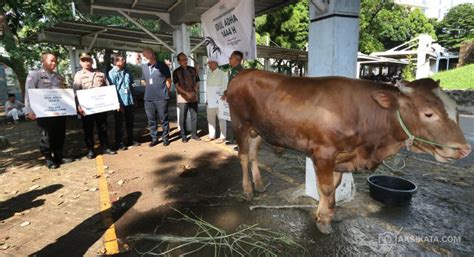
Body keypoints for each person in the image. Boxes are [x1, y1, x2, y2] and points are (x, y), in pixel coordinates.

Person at [23, 52, 73, 169]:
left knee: (59, 133)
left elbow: (63, 93)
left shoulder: (59, 76)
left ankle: (59, 155)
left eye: (55, 61)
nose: (54, 63)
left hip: (59, 111)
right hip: (43, 112)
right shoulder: (34, 75)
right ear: (43, 61)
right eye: (51, 60)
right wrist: (28, 111)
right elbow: (28, 93)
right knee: (46, 136)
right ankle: (48, 158)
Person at [73, 52, 116, 159]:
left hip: (101, 107)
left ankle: (105, 147)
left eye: (88, 60)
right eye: (84, 60)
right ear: (80, 62)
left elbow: (108, 88)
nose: (86, 62)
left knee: (103, 128)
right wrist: (78, 106)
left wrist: (113, 102)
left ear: (92, 61)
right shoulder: (78, 75)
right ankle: (90, 150)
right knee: (88, 129)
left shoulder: (100, 73)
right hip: (86, 108)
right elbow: (75, 92)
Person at [141, 47, 172, 147]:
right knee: (151, 120)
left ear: (151, 54)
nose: (143, 56)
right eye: (143, 55)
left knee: (164, 119)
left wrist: (165, 92)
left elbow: (168, 80)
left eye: (145, 54)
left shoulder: (162, 65)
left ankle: (165, 138)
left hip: (161, 98)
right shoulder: (144, 67)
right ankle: (154, 138)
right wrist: (150, 87)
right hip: (148, 98)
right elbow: (143, 80)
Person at [108, 54, 140, 150]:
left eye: (123, 59)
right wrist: (117, 103)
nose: (122, 61)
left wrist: (134, 99)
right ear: (114, 62)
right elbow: (112, 89)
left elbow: (130, 85)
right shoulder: (111, 73)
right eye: (119, 59)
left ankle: (130, 139)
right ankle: (119, 142)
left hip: (129, 101)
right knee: (119, 123)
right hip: (119, 102)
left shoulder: (127, 72)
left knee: (130, 122)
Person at [173, 52, 201, 142]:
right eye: (182, 60)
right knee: (182, 117)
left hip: (193, 95)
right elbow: (177, 86)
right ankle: (183, 136)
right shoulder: (176, 72)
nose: (185, 61)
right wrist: (186, 93)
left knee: (194, 116)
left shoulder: (193, 69)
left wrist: (194, 92)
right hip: (182, 97)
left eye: (185, 59)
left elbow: (197, 81)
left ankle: (194, 134)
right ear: (178, 61)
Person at [205, 57, 228, 143]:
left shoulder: (222, 74)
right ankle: (212, 135)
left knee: (221, 118)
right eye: (208, 63)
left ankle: (222, 136)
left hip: (220, 100)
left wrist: (223, 96)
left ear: (216, 63)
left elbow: (225, 87)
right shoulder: (208, 74)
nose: (209, 65)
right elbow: (208, 88)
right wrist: (207, 99)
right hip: (210, 101)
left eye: (211, 63)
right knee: (210, 119)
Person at [225, 50, 244, 145]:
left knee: (238, 122)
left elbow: (236, 87)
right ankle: (234, 140)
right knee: (234, 121)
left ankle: (239, 142)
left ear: (237, 59)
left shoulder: (238, 71)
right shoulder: (234, 69)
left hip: (237, 100)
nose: (229, 59)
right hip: (233, 99)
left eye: (231, 57)